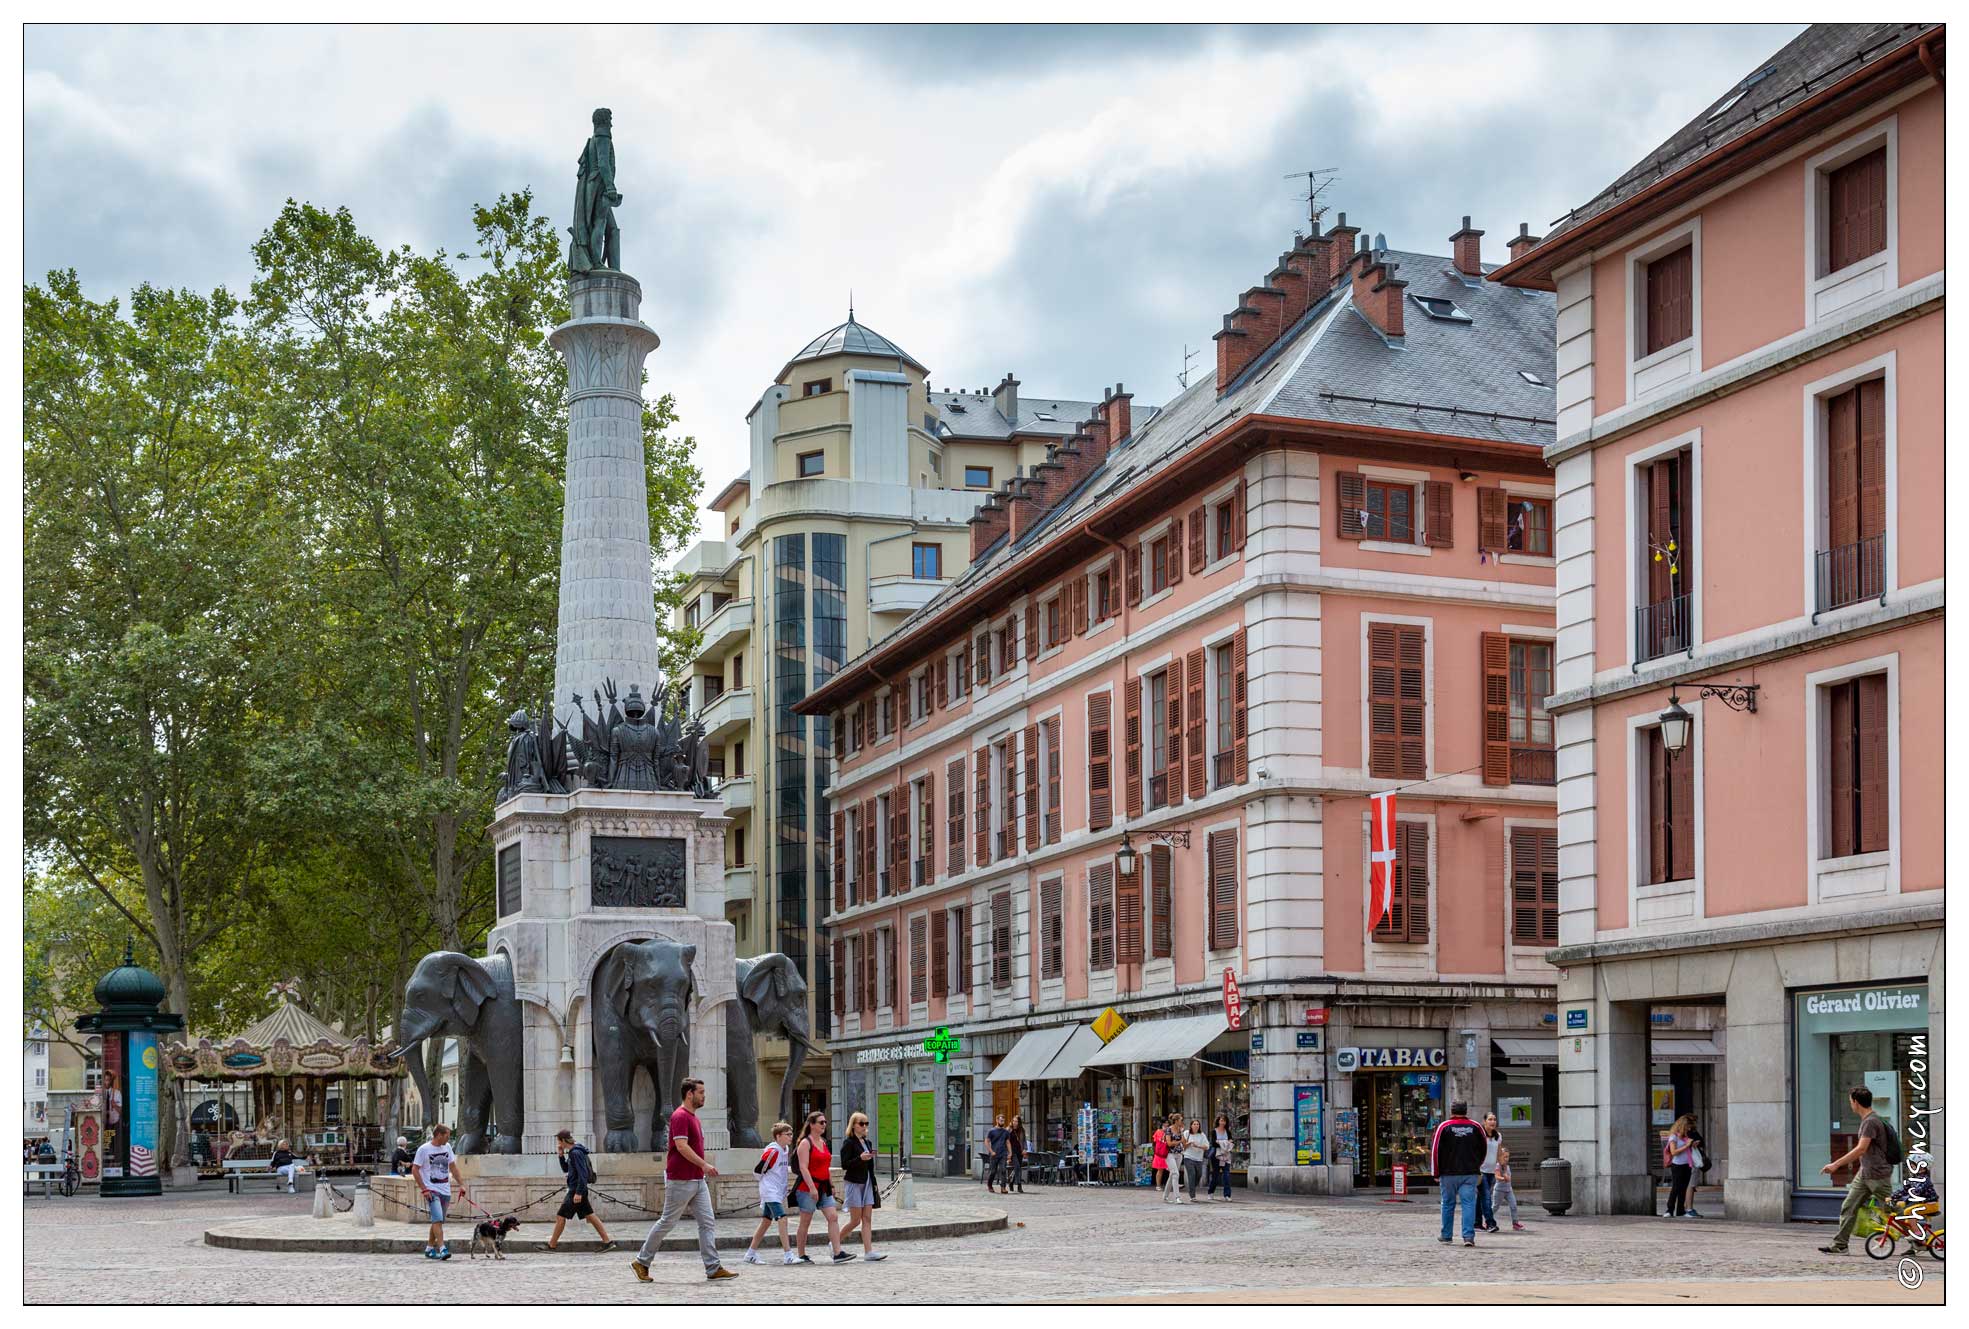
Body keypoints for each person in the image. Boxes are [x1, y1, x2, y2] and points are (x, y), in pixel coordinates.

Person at [630, 1079, 736, 1282]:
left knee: (707, 1222)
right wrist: (704, 1164)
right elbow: (681, 1146)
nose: (704, 1096)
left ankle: (713, 1268)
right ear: (690, 1094)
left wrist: (701, 1170)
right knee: (667, 1222)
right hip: (680, 1179)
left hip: (697, 1179)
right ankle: (641, 1262)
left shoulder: (694, 1117)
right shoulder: (680, 1116)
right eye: (701, 1092)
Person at [1819, 1085, 1898, 1256]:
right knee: (1849, 1206)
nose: (1850, 1105)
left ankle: (1919, 1240)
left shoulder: (1870, 1122)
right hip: (1865, 1173)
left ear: (1856, 1102)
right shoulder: (1870, 1119)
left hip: (1877, 1175)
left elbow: (1861, 1149)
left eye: (1850, 1101)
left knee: (1892, 1210)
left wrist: (1835, 1164)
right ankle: (1840, 1244)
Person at [793, 1109, 854, 1264]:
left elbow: (825, 1167)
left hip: (824, 1186)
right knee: (805, 1221)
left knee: (833, 1217)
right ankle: (801, 1254)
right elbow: (803, 1167)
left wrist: (831, 1184)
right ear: (812, 1125)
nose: (824, 1125)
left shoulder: (823, 1142)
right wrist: (812, 1188)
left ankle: (837, 1252)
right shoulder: (805, 1143)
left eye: (825, 1122)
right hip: (807, 1187)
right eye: (821, 1122)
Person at [547, 1129, 615, 1252]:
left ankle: (552, 1245)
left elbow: (582, 1174)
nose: (558, 1144)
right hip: (578, 1190)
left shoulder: (576, 1153)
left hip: (575, 1191)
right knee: (590, 1215)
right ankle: (608, 1242)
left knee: (560, 1216)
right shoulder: (573, 1152)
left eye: (558, 1141)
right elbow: (566, 1169)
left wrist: (578, 1192)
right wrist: (561, 1156)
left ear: (563, 1140)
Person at [1430, 1101, 1487, 1246]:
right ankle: (1468, 1236)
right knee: (1469, 1204)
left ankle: (1447, 1235)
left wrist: (1435, 1173)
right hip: (1470, 1172)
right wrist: (1477, 1165)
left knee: (1448, 1204)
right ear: (1466, 1111)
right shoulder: (1475, 1126)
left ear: (1452, 1111)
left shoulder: (1444, 1127)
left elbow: (1435, 1151)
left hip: (1448, 1173)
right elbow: (1483, 1148)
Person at [743, 1121, 799, 1266]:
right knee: (782, 1219)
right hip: (770, 1191)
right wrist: (767, 1185)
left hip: (777, 1191)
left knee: (766, 1222)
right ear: (778, 1136)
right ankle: (788, 1255)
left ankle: (750, 1254)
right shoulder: (773, 1151)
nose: (790, 1137)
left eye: (791, 1134)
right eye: (787, 1134)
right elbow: (758, 1171)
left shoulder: (785, 1149)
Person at [837, 1111, 888, 1261]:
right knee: (855, 1220)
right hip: (854, 1182)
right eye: (861, 1123)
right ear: (853, 1125)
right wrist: (860, 1158)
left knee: (867, 1218)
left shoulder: (867, 1142)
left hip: (866, 1182)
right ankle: (835, 1242)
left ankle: (869, 1251)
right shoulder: (849, 1143)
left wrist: (873, 1183)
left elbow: (869, 1167)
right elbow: (845, 1164)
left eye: (866, 1123)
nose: (864, 1126)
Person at [411, 1123, 460, 1260]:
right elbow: (415, 1169)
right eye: (447, 1136)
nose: (448, 1139)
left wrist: (461, 1184)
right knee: (437, 1218)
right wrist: (424, 1189)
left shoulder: (447, 1147)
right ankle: (443, 1248)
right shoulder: (424, 1149)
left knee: (437, 1221)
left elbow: (453, 1167)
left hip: (445, 1189)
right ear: (439, 1135)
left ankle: (429, 1248)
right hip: (432, 1190)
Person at [1662, 1114, 1698, 1218]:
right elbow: (1674, 1152)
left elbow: (1688, 1150)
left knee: (1683, 1188)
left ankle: (1680, 1211)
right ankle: (1669, 1209)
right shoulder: (1674, 1136)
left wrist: (1692, 1145)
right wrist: (1687, 1145)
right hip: (1677, 1165)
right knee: (1676, 1188)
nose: (1689, 1128)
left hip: (1687, 1165)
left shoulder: (1686, 1137)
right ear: (1682, 1125)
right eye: (1687, 1126)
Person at [1477, 1112, 1502, 1233]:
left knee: (1480, 1198)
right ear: (1484, 1121)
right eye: (1490, 1119)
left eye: (1494, 1119)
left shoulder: (1498, 1136)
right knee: (1486, 1197)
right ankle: (1490, 1223)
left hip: (1491, 1171)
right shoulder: (1480, 1135)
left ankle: (1476, 1223)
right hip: (1481, 1171)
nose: (1493, 1122)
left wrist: (1501, 1168)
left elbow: (1499, 1154)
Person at [1493, 1144, 1525, 1231]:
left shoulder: (1507, 1167)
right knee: (1495, 1207)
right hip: (1499, 1190)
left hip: (1508, 1190)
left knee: (1513, 1206)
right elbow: (1496, 1176)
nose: (1506, 1159)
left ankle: (1515, 1223)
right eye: (1505, 1157)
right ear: (1500, 1157)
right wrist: (1504, 1178)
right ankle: (1488, 1221)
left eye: (1508, 1157)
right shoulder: (1498, 1165)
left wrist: (1507, 1179)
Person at [1685, 1120, 1710, 1218]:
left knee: (1690, 1185)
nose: (1694, 1124)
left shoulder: (1691, 1132)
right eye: (1693, 1122)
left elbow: (1702, 1142)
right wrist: (1692, 1144)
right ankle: (1689, 1209)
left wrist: (1697, 1143)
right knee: (1691, 1185)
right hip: (1692, 1162)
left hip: (1689, 1161)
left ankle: (1686, 1208)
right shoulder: (1684, 1133)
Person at [1208, 1113, 1236, 1201]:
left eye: (1224, 1121)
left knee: (1226, 1175)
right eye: (1221, 1120)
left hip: (1226, 1155)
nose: (1223, 1122)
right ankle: (1210, 1192)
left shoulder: (1228, 1132)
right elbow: (1213, 1143)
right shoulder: (1214, 1131)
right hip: (1216, 1155)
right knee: (1215, 1175)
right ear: (1218, 1121)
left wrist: (1220, 1142)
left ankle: (1227, 1195)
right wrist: (1225, 1142)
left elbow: (1231, 1141)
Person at [1163, 1116, 1189, 1205]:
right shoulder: (1168, 1130)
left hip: (1179, 1154)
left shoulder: (1180, 1130)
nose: (1182, 1121)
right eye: (1181, 1120)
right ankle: (1177, 1197)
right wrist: (1179, 1141)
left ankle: (1165, 1196)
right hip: (1170, 1154)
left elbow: (1184, 1143)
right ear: (1176, 1121)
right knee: (1175, 1174)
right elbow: (1169, 1143)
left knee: (1172, 1175)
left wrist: (1188, 1143)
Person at [1182, 1117, 1208, 1202]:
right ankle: (1192, 1195)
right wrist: (1189, 1143)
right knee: (1191, 1174)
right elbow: (1183, 1146)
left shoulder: (1202, 1135)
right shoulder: (1186, 1133)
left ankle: (1192, 1186)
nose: (1196, 1125)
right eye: (1194, 1124)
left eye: (1197, 1124)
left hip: (1199, 1158)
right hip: (1188, 1157)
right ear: (1191, 1126)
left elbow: (1207, 1146)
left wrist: (1198, 1146)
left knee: (1199, 1175)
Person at [985, 1114, 1010, 1195]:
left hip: (1003, 1154)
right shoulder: (991, 1131)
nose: (1002, 1122)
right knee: (993, 1171)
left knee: (1003, 1170)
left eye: (1003, 1121)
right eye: (1001, 1120)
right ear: (997, 1120)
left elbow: (1007, 1142)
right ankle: (989, 1185)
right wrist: (991, 1151)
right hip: (994, 1154)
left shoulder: (1006, 1132)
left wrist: (1010, 1153)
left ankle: (1003, 1188)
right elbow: (986, 1142)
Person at [1007, 1115, 1027, 1195]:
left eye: (1017, 1121)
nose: (1015, 1123)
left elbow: (1024, 1140)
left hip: (1020, 1151)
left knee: (1017, 1168)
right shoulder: (1008, 1130)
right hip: (1012, 1152)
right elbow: (1005, 1142)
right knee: (1018, 1167)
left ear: (1019, 1123)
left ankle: (1011, 1181)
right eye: (1014, 1121)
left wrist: (1025, 1149)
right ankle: (1019, 1185)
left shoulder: (1022, 1130)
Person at [1150, 1118, 1171, 1197]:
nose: (1167, 1124)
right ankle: (1158, 1185)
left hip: (1168, 1152)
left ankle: (1170, 1184)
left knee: (1171, 1169)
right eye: (1165, 1123)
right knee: (1160, 1170)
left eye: (1167, 1123)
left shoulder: (1169, 1131)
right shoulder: (1159, 1131)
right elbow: (1157, 1140)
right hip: (1160, 1153)